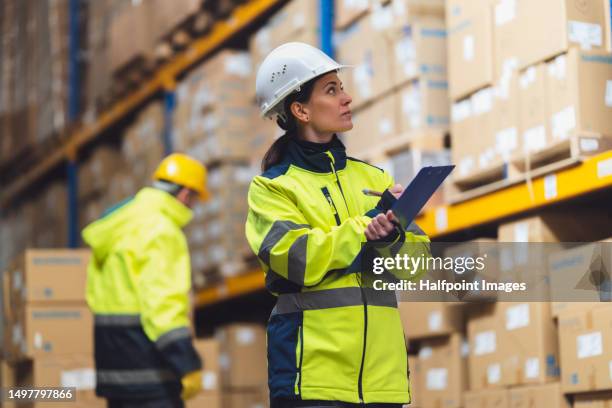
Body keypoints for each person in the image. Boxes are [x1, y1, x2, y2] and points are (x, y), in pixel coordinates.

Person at [245, 42, 430, 408]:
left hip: (381, 382)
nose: (347, 98)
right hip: (313, 379)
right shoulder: (273, 188)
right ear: (300, 109)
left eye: (341, 87)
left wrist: (391, 236)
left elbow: (419, 263)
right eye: (331, 90)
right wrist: (362, 230)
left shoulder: (373, 177)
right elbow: (295, 257)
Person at [83, 153, 209, 408]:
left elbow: (94, 295)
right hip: (151, 376)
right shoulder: (162, 231)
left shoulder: (120, 223)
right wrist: (186, 363)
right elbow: (162, 306)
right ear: (185, 194)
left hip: (114, 372)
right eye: (194, 199)